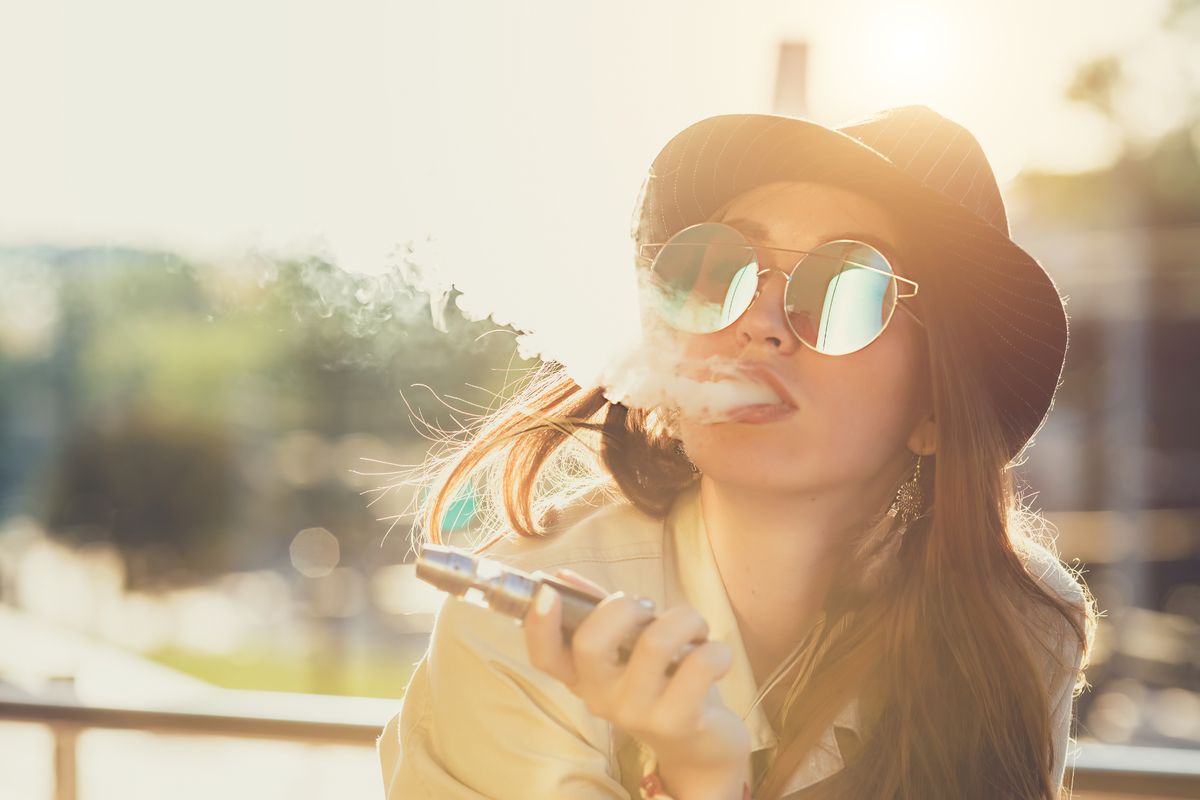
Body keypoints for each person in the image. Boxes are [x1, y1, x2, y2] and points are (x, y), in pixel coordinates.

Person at [376, 105, 1098, 799]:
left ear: (935, 410)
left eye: (845, 287)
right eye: (723, 270)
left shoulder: (1016, 624)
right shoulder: (518, 628)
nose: (758, 322)